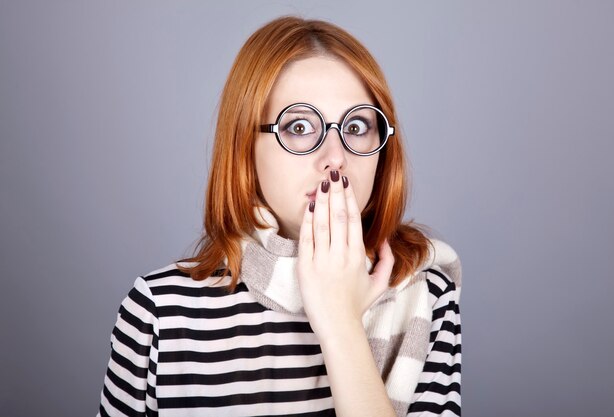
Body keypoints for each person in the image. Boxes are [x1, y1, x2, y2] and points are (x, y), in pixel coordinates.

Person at [97, 15, 462, 417]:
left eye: (357, 126)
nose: (335, 157)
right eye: (300, 126)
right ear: (244, 146)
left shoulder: (426, 296)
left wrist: (340, 322)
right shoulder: (160, 312)